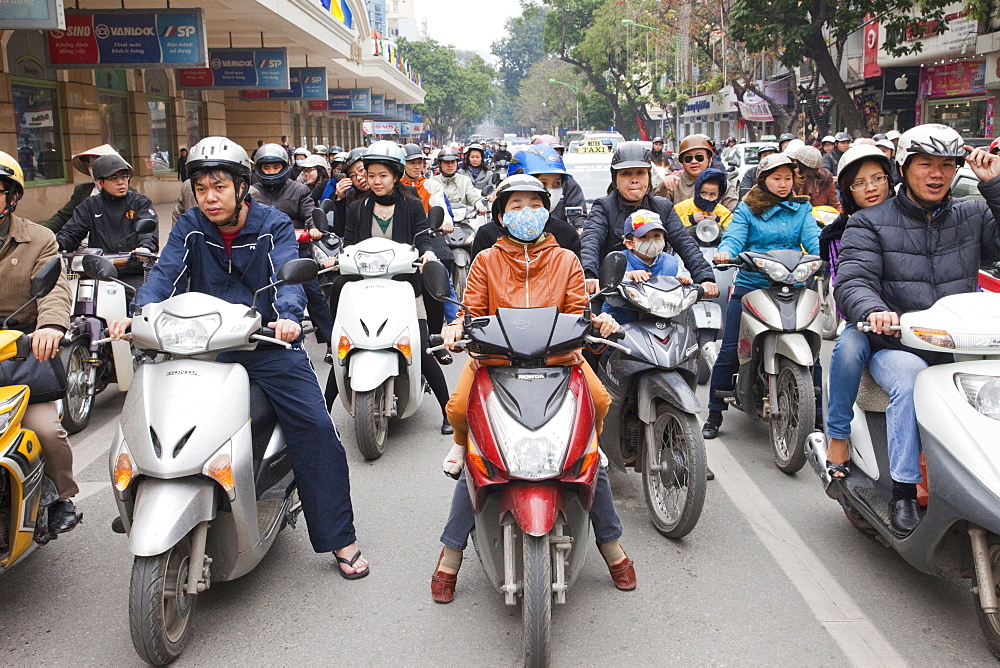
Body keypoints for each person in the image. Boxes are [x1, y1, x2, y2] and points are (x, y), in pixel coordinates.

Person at [107, 136, 369, 578]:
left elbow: (287, 274)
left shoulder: (273, 225)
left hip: (265, 344)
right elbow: (164, 275)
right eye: (202, 189)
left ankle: (339, 538)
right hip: (201, 344)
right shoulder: (190, 226)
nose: (210, 198)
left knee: (315, 426)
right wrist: (139, 315)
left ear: (241, 187)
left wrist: (287, 317)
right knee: (152, 413)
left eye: (220, 187)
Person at [432, 174, 636, 604]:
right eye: (515, 206)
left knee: (599, 406)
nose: (526, 213)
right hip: (496, 361)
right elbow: (472, 309)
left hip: (560, 361)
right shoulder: (486, 259)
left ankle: (611, 544)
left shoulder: (565, 259)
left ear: (547, 209)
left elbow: (578, 309)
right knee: (459, 413)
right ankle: (451, 553)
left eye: (533, 204)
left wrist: (599, 321)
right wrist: (456, 326)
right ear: (501, 215)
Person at [834, 124, 1000, 534]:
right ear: (904, 168)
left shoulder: (975, 213)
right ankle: (904, 490)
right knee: (910, 383)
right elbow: (853, 280)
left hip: (961, 345)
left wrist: (996, 185)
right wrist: (875, 311)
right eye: (925, 164)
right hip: (898, 344)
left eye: (946, 165)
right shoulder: (870, 222)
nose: (937, 174)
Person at [328, 141, 453, 434]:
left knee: (420, 347)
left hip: (404, 286)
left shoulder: (411, 206)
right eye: (370, 175)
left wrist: (428, 253)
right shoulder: (358, 208)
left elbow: (422, 238)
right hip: (364, 286)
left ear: (396, 175)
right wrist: (341, 258)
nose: (376, 181)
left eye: (382, 175)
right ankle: (323, 410)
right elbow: (348, 242)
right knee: (345, 347)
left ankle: (448, 412)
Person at [702, 153, 820, 439]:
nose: (783, 184)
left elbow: (813, 239)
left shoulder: (802, 209)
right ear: (763, 180)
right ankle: (715, 411)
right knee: (731, 349)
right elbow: (734, 237)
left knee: (813, 352)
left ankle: (816, 416)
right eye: (776, 178)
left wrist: (825, 256)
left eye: (788, 178)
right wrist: (726, 252)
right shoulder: (747, 208)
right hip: (752, 285)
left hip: (793, 284)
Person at [0, 151, 82, 535]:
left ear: (12, 196)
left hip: (23, 348)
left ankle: (61, 495)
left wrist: (49, 326)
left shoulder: (39, 238)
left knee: (46, 429)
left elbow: (55, 291)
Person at [818, 145, 893, 480]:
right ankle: (838, 435)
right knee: (846, 351)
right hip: (864, 318)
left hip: (919, 319)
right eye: (860, 183)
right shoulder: (838, 232)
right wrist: (872, 310)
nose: (871, 187)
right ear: (847, 191)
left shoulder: (914, 216)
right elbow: (844, 283)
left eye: (878, 178)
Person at [582, 141, 718, 298]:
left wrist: (705, 278)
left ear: (649, 177)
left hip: (660, 295)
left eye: (640, 173)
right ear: (615, 179)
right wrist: (589, 275)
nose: (634, 180)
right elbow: (591, 241)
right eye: (626, 173)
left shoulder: (663, 207)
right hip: (614, 294)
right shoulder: (603, 207)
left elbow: (685, 243)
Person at [249, 144, 334, 362]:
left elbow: (310, 214)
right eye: (266, 168)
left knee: (314, 294)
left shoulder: (299, 190)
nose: (270, 172)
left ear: (285, 167)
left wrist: (313, 227)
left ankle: (330, 341)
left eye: (275, 167)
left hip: (297, 252)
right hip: (260, 251)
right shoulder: (250, 191)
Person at [56, 154, 158, 289]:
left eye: (124, 177)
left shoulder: (140, 202)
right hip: (98, 273)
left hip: (132, 273)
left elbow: (148, 230)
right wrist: (54, 246)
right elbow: (70, 233)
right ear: (99, 182)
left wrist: (145, 248)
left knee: (140, 302)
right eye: (113, 178)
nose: (121, 182)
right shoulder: (89, 205)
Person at [602, 209, 691, 326]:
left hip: (660, 322)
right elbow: (606, 283)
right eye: (643, 237)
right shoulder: (619, 259)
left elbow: (682, 278)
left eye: (656, 235)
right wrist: (628, 276)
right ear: (630, 243)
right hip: (621, 323)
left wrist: (683, 281)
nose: (651, 241)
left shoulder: (671, 262)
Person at [43, 144, 129, 233]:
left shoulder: (133, 198)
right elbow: (64, 217)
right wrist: (40, 233)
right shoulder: (83, 192)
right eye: (91, 165)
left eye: (123, 177)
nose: (119, 183)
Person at [656, 135, 739, 211]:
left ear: (709, 159)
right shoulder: (673, 183)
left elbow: (733, 214)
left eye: (699, 157)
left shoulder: (722, 183)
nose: (694, 161)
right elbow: (659, 210)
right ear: (682, 161)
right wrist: (662, 187)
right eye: (688, 158)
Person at [788, 144, 841, 211]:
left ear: (800, 164)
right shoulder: (790, 179)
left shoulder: (826, 181)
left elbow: (835, 205)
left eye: (795, 161)